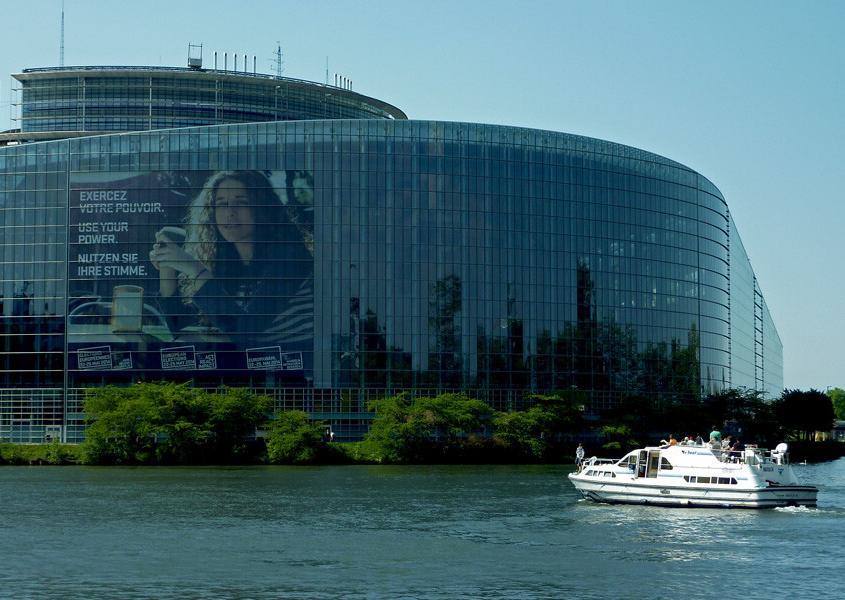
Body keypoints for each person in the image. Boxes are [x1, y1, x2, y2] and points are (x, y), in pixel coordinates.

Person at [149, 170, 313, 369]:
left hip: (296, 379)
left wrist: (195, 269)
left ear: (262, 207)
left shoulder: (291, 257)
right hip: (251, 374)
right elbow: (181, 329)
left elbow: (245, 332)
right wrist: (167, 264)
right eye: (222, 204)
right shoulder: (227, 263)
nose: (230, 213)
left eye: (241, 202)